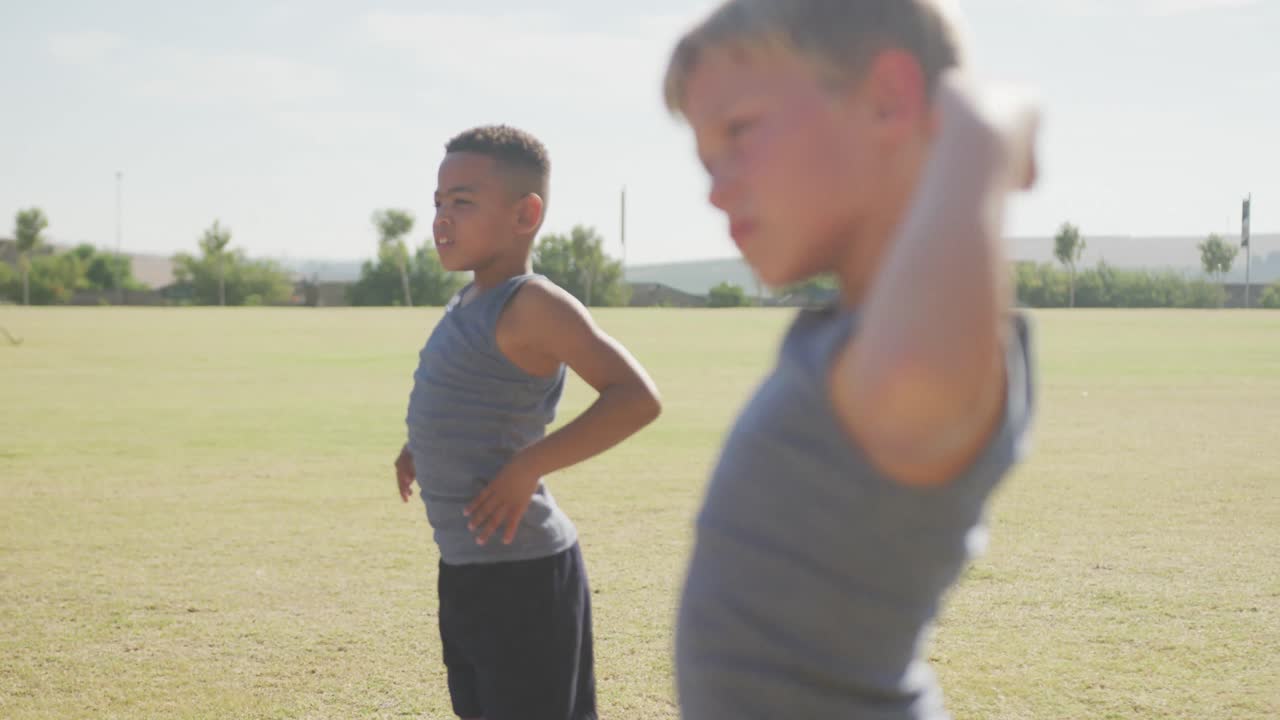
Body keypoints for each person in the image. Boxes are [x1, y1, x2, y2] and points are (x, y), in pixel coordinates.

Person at [662, 1, 1039, 717]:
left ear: (888, 98)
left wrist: (981, 135)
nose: (715, 187)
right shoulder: (845, 338)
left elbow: (914, 376)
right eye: (707, 159)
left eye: (739, 131)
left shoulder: (913, 358)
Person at [395, 125, 662, 720]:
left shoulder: (533, 304)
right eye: (438, 202)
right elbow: (468, 399)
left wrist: (528, 466)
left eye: (463, 201)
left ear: (526, 214)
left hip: (523, 578)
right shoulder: (467, 301)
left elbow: (636, 397)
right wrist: (419, 448)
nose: (442, 218)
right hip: (465, 569)